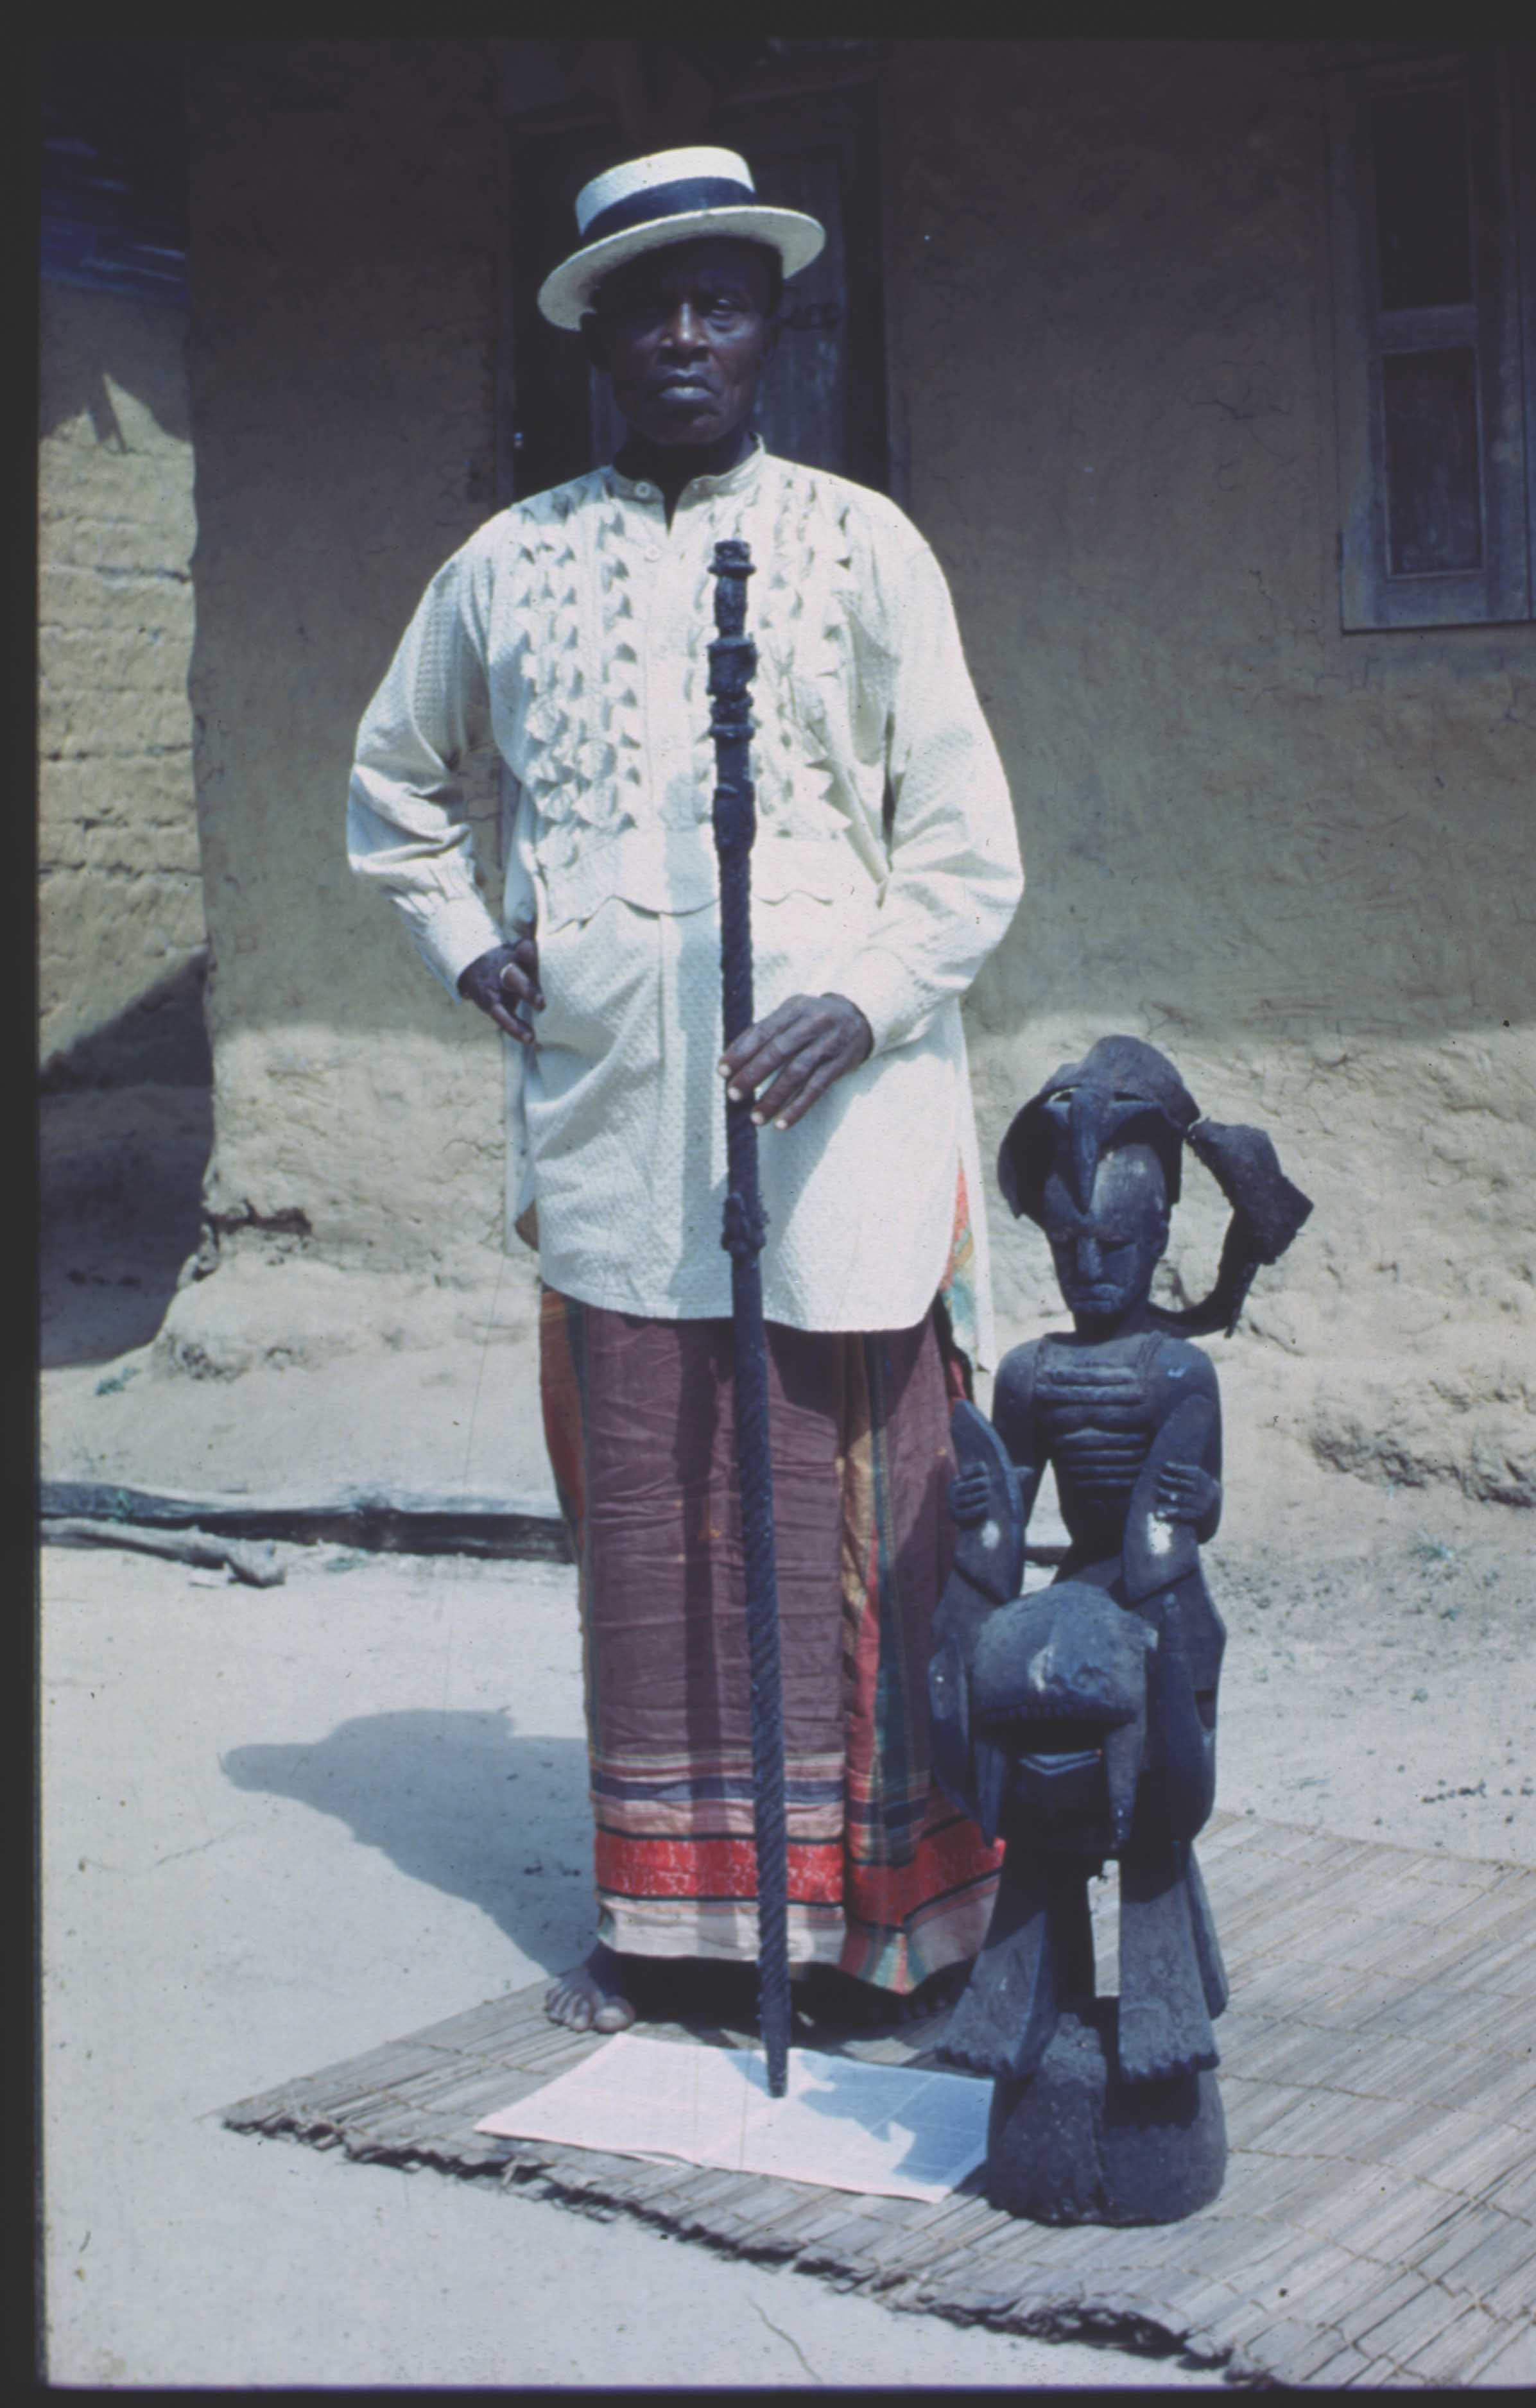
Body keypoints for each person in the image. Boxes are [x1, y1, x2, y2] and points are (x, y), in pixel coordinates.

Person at [347, 146, 1024, 2035]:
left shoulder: (861, 543)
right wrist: (471, 945)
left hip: (840, 1108)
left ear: (771, 325)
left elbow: (967, 855)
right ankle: (673, 1928)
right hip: (612, 1110)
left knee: (852, 1482)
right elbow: (393, 795)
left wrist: (866, 999)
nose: (684, 333)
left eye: (718, 296)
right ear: (593, 337)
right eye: (644, 303)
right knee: (648, 1496)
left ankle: (888, 1927)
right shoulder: (505, 565)